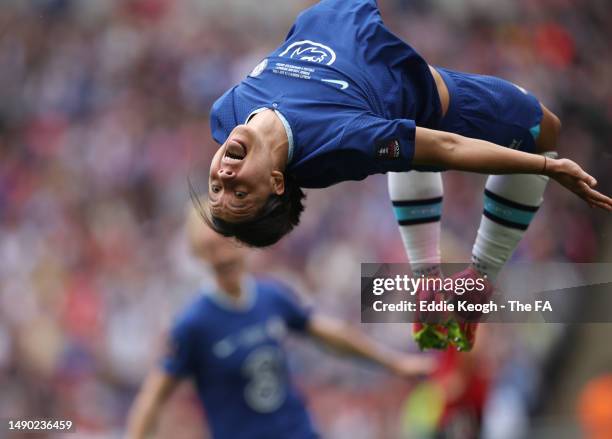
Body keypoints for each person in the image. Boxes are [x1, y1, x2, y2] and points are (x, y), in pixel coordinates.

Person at [201, 0, 611, 350]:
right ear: (275, 182)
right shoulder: (339, 140)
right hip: (443, 102)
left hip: (347, 23)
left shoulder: (226, 111)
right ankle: (475, 276)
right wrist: (547, 166)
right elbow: (444, 147)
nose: (226, 174)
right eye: (239, 193)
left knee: (402, 146)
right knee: (543, 131)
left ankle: (430, 281)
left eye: (217, 186)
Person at [126, 203, 433, 439]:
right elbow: (153, 396)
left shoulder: (271, 296)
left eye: (225, 242)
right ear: (198, 255)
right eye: (209, 248)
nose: (222, 256)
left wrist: (395, 364)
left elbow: (328, 332)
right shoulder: (194, 324)